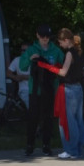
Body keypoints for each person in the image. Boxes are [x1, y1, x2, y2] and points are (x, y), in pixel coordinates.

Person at [21, 24, 63, 156]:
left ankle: (46, 145)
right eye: (43, 36)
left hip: (50, 89)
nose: (45, 38)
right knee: (33, 118)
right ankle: (30, 145)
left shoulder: (55, 50)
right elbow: (22, 66)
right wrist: (29, 58)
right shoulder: (31, 49)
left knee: (48, 119)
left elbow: (64, 65)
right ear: (37, 35)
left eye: (48, 36)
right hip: (35, 90)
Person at [54, 28, 84, 159]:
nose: (60, 45)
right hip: (78, 89)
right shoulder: (79, 52)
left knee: (68, 121)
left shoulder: (69, 54)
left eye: (61, 42)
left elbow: (63, 72)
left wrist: (50, 67)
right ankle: (78, 149)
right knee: (78, 120)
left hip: (69, 89)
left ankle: (71, 150)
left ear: (66, 40)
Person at [6, 41, 31, 108]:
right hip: (24, 91)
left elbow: (37, 76)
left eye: (25, 50)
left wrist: (22, 77)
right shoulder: (17, 60)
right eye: (21, 50)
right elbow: (8, 73)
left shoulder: (34, 61)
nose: (22, 52)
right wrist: (14, 77)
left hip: (35, 90)